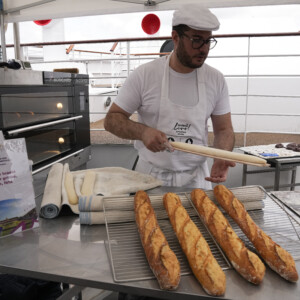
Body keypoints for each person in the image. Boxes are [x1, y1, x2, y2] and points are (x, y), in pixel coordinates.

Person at [104, 4, 235, 190]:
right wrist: (143, 132)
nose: (204, 49)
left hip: (197, 178)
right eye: (196, 40)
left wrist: (223, 155)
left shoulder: (216, 79)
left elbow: (224, 130)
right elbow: (111, 120)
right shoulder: (145, 75)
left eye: (208, 41)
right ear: (175, 37)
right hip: (150, 178)